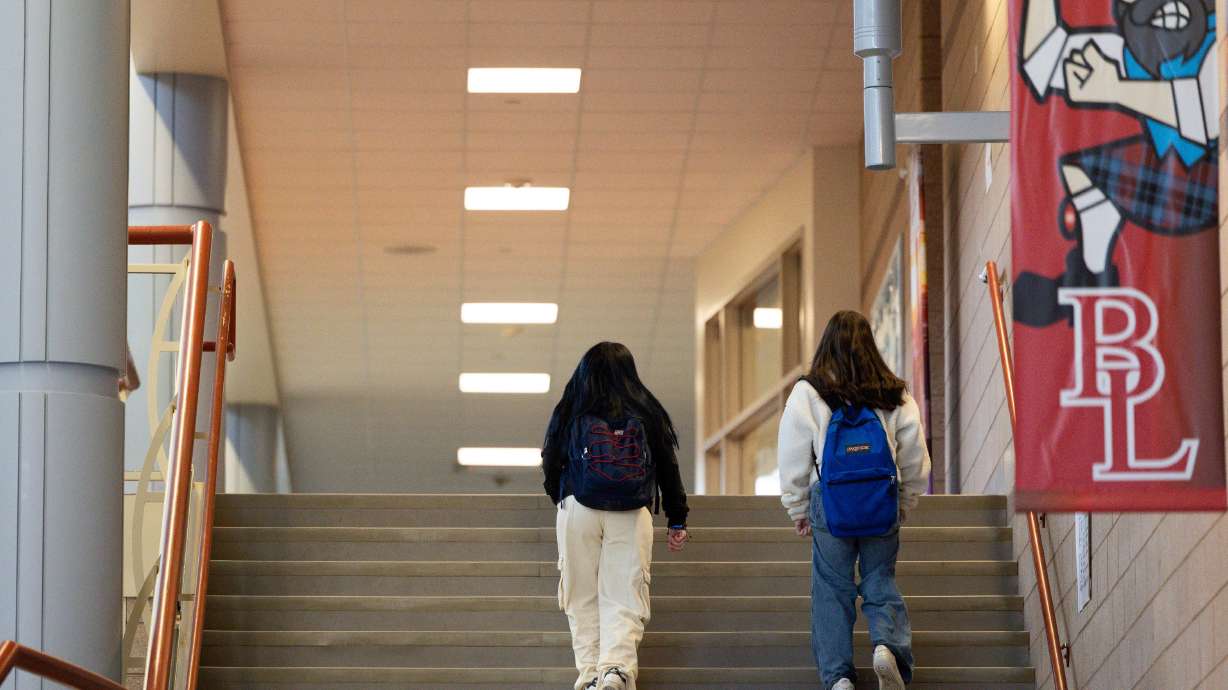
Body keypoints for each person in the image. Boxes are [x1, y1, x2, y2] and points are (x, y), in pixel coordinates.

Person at [777, 311, 931, 690]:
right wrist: (905, 500)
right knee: (881, 577)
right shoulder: (894, 391)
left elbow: (792, 454)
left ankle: (839, 677)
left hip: (829, 502)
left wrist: (798, 507)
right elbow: (915, 455)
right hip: (881, 498)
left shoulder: (808, 392)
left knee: (832, 588)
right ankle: (886, 649)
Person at [542, 342, 690, 690]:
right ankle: (616, 672)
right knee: (623, 594)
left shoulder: (571, 409)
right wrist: (677, 517)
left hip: (577, 506)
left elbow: (550, 458)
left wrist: (559, 495)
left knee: (581, 595)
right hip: (631, 508)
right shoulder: (646, 410)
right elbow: (668, 467)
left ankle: (590, 675)